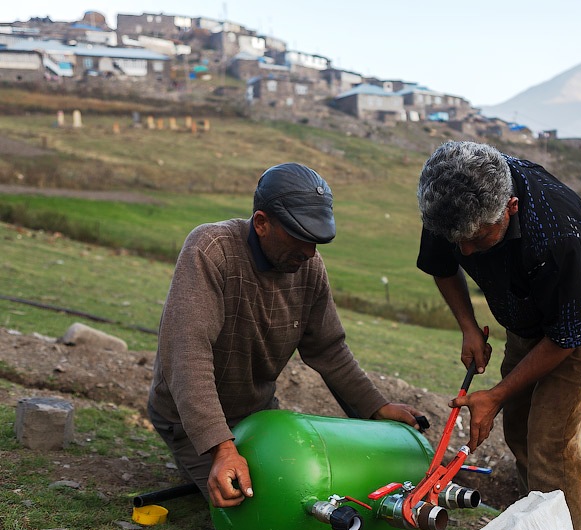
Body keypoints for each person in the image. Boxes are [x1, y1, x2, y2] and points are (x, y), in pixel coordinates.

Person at [148, 162, 423, 508]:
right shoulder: (211, 250)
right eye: (300, 236)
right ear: (262, 223)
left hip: (258, 415)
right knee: (260, 507)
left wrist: (377, 407)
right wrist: (221, 447)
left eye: (316, 241)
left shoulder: (308, 268)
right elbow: (188, 354)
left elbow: (329, 350)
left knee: (306, 487)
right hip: (188, 420)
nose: (310, 252)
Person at [416, 141, 581, 530]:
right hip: (522, 309)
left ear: (510, 208)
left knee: (550, 442)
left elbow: (565, 335)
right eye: (458, 241)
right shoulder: (449, 200)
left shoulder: (556, 234)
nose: (466, 251)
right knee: (519, 426)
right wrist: (469, 327)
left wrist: (494, 395)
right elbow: (442, 265)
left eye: (479, 239)